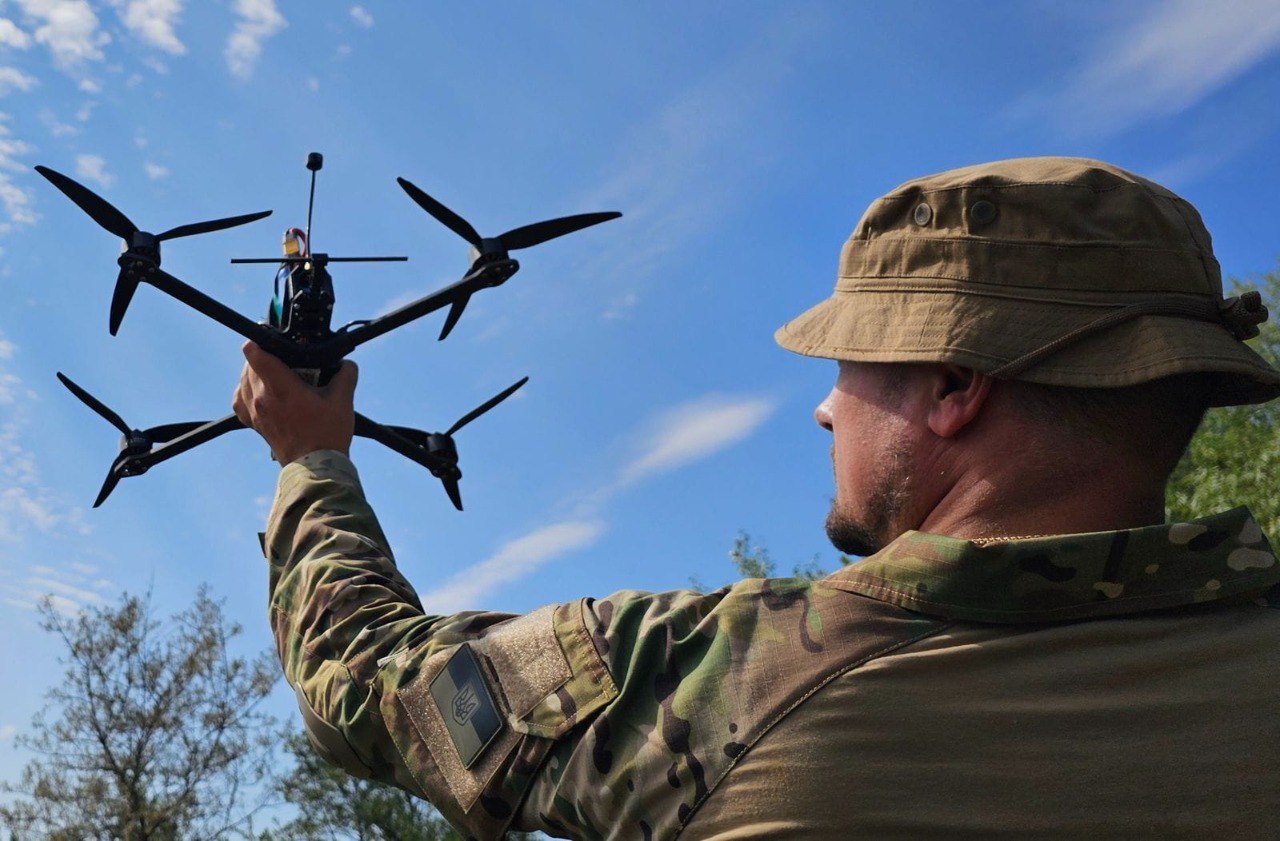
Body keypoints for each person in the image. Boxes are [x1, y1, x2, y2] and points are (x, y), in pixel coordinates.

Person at [234, 157, 1280, 840]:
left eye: (847, 365)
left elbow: (365, 677)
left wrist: (310, 459)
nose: (825, 411)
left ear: (955, 386)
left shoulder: (722, 679)